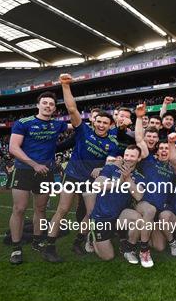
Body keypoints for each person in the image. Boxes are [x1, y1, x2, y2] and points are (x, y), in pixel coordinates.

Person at [43, 74, 119, 263]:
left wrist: (101, 168)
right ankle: (49, 246)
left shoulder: (113, 143)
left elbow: (111, 163)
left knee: (90, 213)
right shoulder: (83, 130)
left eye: (105, 123)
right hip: (72, 175)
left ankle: (79, 241)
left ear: (110, 126)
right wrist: (65, 86)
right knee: (62, 209)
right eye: (98, 121)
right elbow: (71, 108)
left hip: (91, 181)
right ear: (93, 122)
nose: (101, 125)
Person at [8, 91, 68, 264]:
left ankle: (37, 241)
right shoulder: (23, 123)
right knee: (19, 209)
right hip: (24, 170)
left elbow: (77, 126)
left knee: (40, 209)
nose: (48, 106)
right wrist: (34, 164)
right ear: (38, 105)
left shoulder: (58, 125)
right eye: (45, 103)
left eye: (51, 104)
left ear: (55, 108)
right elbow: (13, 147)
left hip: (46, 172)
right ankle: (16, 248)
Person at [134, 103, 176, 267]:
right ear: (156, 151)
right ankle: (143, 249)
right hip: (145, 205)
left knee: (161, 247)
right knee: (150, 211)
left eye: (166, 149)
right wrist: (140, 118)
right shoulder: (149, 161)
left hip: (163, 211)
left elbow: (175, 160)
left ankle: (172, 241)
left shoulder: (172, 167)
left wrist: (171, 143)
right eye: (160, 148)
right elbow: (140, 139)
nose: (163, 151)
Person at [89, 145, 145, 263]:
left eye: (132, 156)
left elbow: (139, 196)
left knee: (139, 220)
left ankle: (128, 249)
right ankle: (92, 237)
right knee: (108, 257)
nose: (129, 158)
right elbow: (96, 185)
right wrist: (119, 182)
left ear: (139, 158)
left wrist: (128, 179)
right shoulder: (111, 168)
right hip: (102, 217)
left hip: (120, 216)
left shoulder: (139, 176)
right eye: (127, 155)